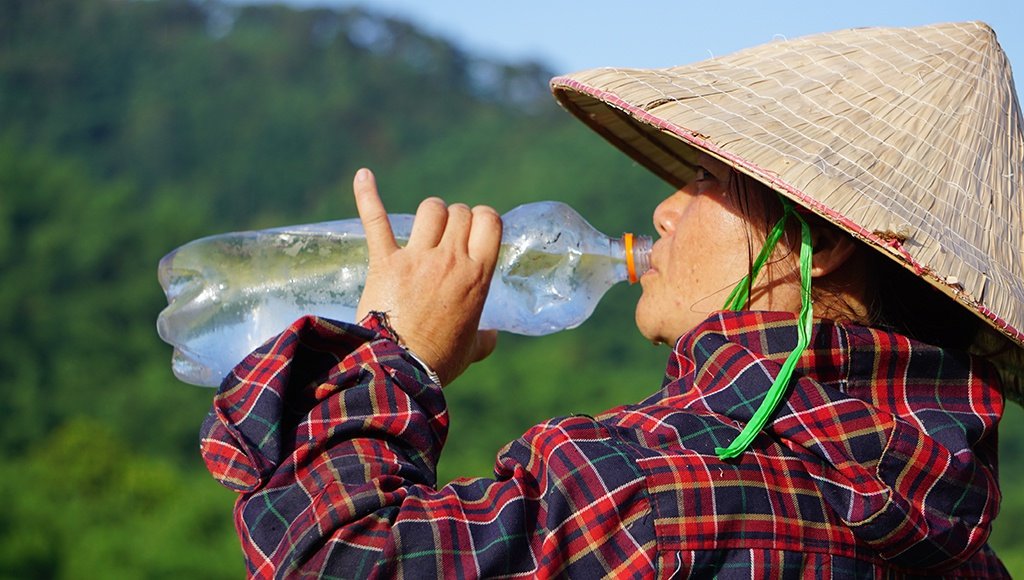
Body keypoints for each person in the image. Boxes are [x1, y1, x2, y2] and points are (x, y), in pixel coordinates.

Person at [200, 22, 1021, 577]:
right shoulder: (961, 542)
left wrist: (393, 355)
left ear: (828, 239)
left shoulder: (657, 497)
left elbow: (333, 558)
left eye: (705, 180)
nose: (665, 209)